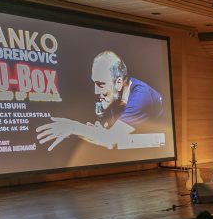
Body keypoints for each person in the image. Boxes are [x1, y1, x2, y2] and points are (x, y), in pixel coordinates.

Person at [36, 50, 164, 151]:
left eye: (101, 84)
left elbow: (109, 140)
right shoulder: (115, 96)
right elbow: (108, 141)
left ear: (119, 82)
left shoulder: (141, 97)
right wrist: (94, 133)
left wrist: (73, 127)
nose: (96, 91)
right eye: (95, 83)